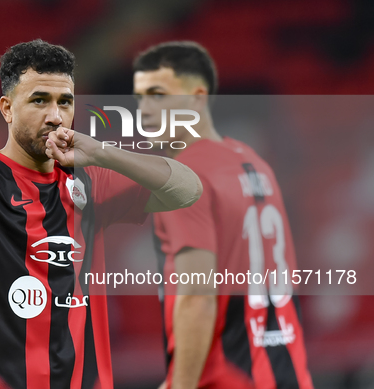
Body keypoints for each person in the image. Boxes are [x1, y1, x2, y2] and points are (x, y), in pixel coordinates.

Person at [0, 39, 202, 389]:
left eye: (65, 102)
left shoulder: (90, 182)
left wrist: (103, 153)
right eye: (39, 100)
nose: (55, 116)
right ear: (7, 108)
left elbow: (187, 188)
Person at [132, 41, 314, 389]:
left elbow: (197, 297)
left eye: (158, 96)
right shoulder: (254, 163)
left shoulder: (183, 176)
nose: (145, 110)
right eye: (140, 97)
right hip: (288, 372)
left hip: (228, 377)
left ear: (198, 98)